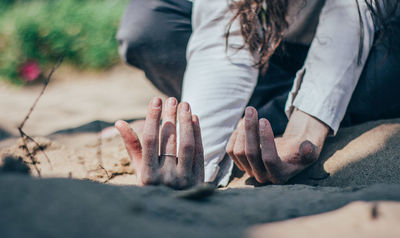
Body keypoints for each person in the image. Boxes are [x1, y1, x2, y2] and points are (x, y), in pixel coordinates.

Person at [115, 0, 400, 188]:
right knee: (149, 25)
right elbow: (223, 35)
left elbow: (349, 10)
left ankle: (271, 116)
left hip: (370, 37)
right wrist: (194, 157)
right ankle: (273, 113)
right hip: (272, 51)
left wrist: (303, 131)